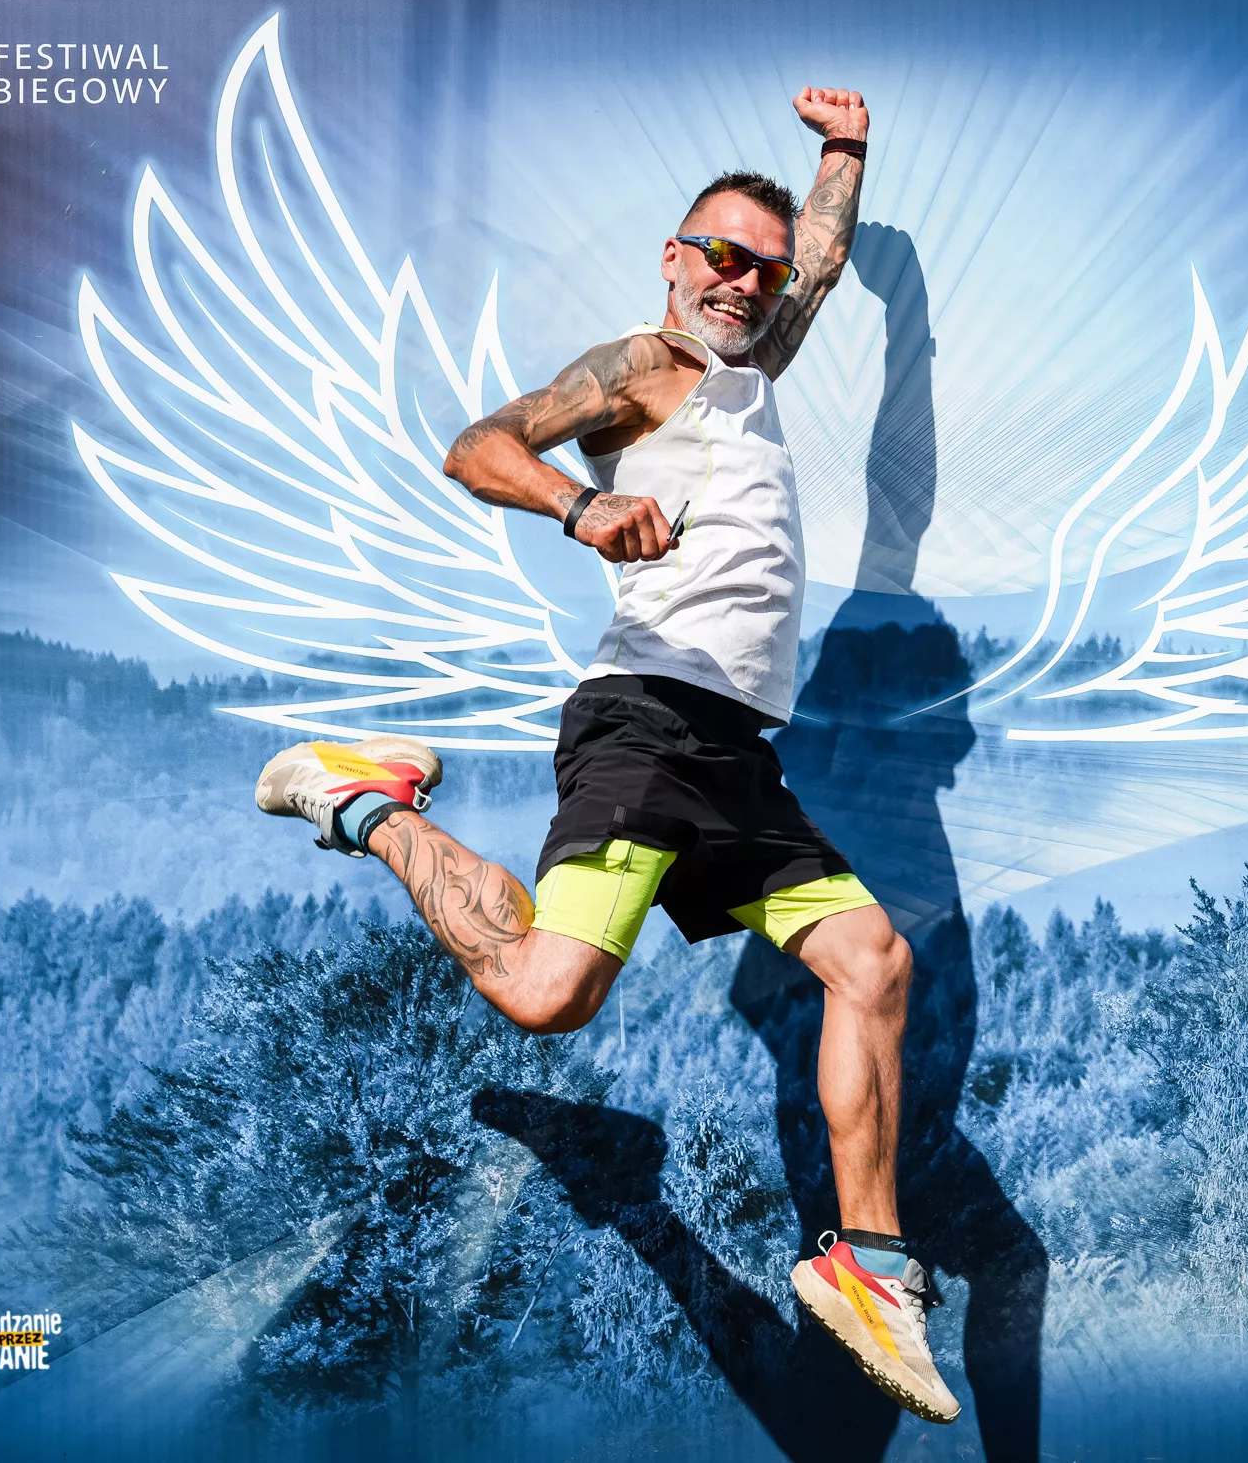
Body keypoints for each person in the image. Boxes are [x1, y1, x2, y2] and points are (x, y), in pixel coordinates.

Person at [253, 88, 962, 1425]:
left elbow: (817, 259)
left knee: (872, 962)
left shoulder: (755, 363)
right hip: (642, 718)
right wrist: (583, 505)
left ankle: (869, 1267)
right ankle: (364, 800)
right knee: (546, 993)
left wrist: (845, 151)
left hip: (734, 749)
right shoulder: (638, 366)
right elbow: (477, 447)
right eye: (720, 255)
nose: (744, 280)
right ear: (674, 259)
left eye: (759, 268)